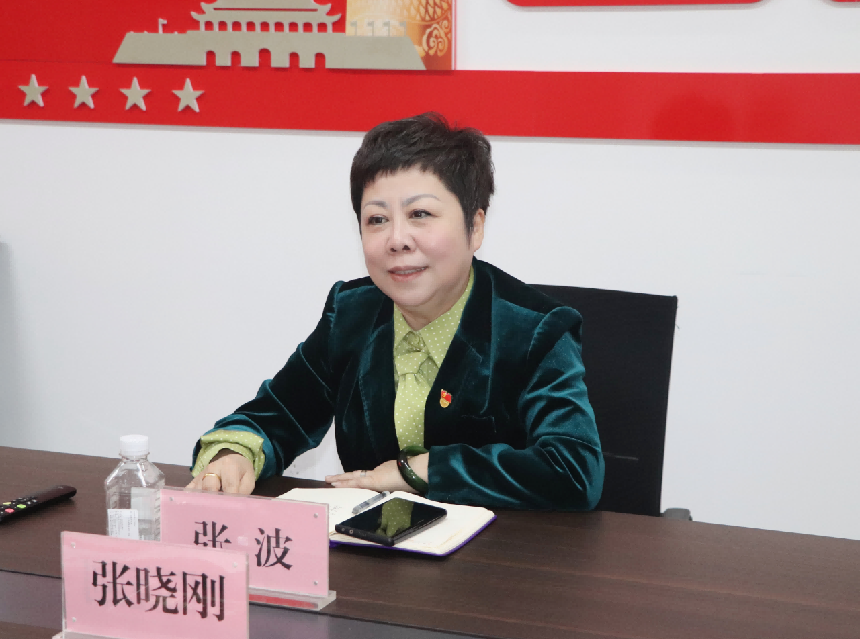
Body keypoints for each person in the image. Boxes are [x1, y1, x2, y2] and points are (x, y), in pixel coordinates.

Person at [187, 113, 604, 510]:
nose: (396, 239)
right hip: (373, 547)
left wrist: (421, 471)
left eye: (420, 214)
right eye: (377, 219)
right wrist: (233, 454)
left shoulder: (535, 330)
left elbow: (574, 469)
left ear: (475, 226)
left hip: (500, 552)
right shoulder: (351, 313)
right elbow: (279, 413)